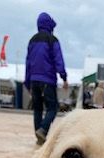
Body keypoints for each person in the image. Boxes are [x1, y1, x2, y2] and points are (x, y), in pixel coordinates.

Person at [24, 12, 68, 145]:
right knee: (52, 107)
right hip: (48, 80)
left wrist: (27, 83)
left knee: (37, 108)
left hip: (34, 80)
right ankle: (43, 130)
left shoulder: (32, 40)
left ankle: (39, 135)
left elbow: (28, 62)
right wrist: (64, 77)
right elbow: (58, 59)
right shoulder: (52, 40)